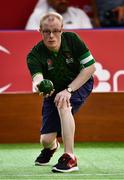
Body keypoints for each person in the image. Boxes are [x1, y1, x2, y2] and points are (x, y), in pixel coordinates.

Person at [27, 12, 96, 173]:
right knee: (45, 140)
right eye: (46, 31)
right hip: (54, 90)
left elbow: (91, 68)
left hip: (79, 83)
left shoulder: (72, 40)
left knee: (63, 103)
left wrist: (69, 90)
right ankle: (53, 147)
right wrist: (40, 86)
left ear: (61, 30)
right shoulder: (34, 55)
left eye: (55, 30)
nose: (51, 35)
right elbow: (37, 78)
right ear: (40, 31)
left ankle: (70, 157)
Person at [25, 0, 93, 30]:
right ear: (49, 1)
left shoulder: (79, 14)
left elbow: (89, 37)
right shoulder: (38, 16)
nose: (63, 1)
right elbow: (31, 39)